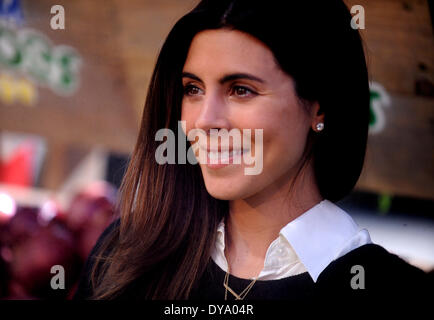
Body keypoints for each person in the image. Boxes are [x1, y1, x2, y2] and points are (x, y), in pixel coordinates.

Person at [74, 0, 430, 300]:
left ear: (319, 107)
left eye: (241, 90)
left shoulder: (390, 288)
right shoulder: (123, 257)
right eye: (193, 89)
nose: (205, 120)